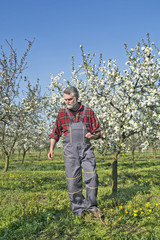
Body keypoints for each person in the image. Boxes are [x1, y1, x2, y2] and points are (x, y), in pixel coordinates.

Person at [48, 86, 102, 218]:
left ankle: (92, 206)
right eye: (65, 100)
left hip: (86, 149)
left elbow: (98, 132)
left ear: (77, 98)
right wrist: (51, 149)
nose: (67, 102)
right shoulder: (62, 114)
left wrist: (92, 136)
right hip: (70, 151)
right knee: (73, 181)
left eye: (70, 99)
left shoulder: (88, 112)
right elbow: (55, 133)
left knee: (92, 177)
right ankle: (78, 209)